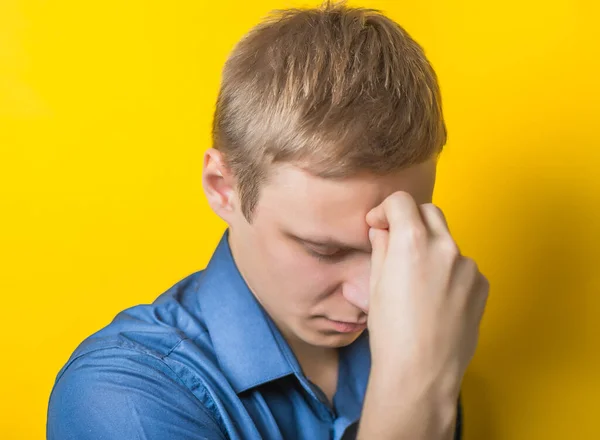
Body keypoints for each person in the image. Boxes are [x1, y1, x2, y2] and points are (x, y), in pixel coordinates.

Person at [47, 2, 489, 439]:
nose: (370, 298)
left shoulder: (414, 324)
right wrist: (417, 388)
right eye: (325, 250)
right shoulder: (120, 397)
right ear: (223, 187)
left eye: (391, 243)